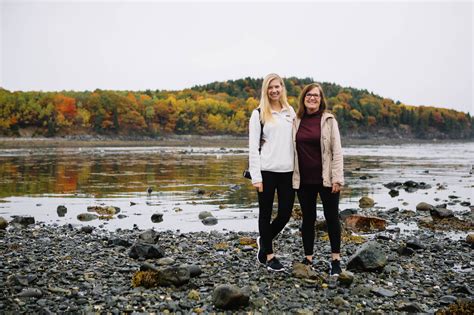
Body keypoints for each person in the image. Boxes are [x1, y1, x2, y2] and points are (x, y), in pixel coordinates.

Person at [292, 83, 344, 276]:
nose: (312, 98)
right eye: (309, 95)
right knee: (308, 219)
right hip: (303, 180)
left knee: (332, 218)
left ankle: (336, 260)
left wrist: (337, 178)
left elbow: (336, 151)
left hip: (327, 179)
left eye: (316, 95)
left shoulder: (329, 120)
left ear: (321, 99)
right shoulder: (295, 120)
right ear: (303, 98)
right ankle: (308, 257)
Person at [249, 73, 296, 272]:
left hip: (288, 172)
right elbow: (253, 147)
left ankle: (263, 239)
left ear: (282, 88)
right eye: (271, 87)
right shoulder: (258, 113)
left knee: (285, 214)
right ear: (266, 90)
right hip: (267, 171)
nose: (274, 90)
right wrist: (256, 177)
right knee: (265, 213)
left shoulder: (290, 111)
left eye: (278, 86)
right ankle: (269, 256)